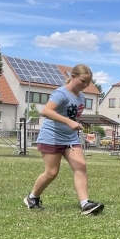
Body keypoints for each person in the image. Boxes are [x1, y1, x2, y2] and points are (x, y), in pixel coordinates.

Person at [24, 64, 104, 216]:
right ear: (73, 77)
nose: (85, 85)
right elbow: (46, 111)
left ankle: (85, 204)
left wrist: (76, 127)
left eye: (88, 83)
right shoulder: (61, 93)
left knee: (81, 167)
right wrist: (69, 122)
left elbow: (73, 117)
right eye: (83, 81)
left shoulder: (81, 96)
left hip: (70, 139)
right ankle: (32, 198)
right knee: (52, 172)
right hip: (51, 137)